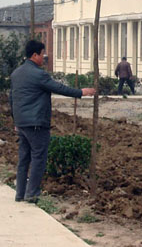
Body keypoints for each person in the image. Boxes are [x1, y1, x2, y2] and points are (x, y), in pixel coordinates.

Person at [10, 39, 95, 203]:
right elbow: (59, 88)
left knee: (23, 159)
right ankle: (32, 193)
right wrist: (80, 92)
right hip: (36, 123)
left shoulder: (16, 73)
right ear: (35, 55)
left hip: (21, 123)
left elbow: (12, 98)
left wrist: (16, 120)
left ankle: (20, 193)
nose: (44, 57)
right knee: (38, 158)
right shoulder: (39, 74)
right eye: (43, 54)